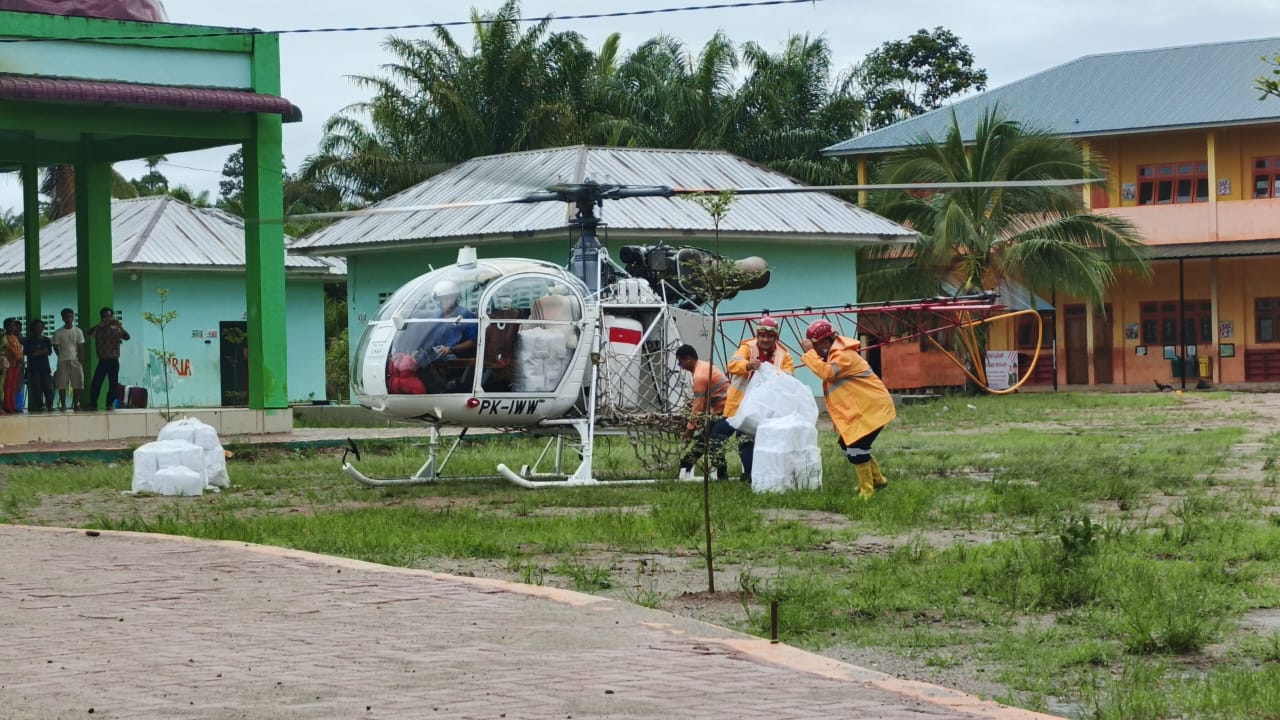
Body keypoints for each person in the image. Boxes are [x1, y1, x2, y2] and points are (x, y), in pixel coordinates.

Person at [800, 319, 896, 499]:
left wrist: (810, 355)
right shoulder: (836, 353)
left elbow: (827, 373)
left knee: (857, 447)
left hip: (873, 409)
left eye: (816, 346)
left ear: (826, 343)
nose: (814, 349)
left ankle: (867, 491)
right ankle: (878, 480)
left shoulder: (843, 355)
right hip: (866, 409)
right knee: (847, 444)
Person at [708, 316, 794, 482]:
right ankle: (721, 472)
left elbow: (788, 378)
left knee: (746, 441)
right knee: (717, 437)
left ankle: (750, 475)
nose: (765, 339)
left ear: (776, 338)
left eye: (769, 336)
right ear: (757, 335)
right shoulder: (747, 347)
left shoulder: (784, 356)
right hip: (737, 406)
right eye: (762, 336)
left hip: (760, 409)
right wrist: (747, 366)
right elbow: (732, 365)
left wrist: (773, 375)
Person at [674, 344, 729, 481]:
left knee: (714, 443)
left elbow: (698, 406)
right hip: (719, 412)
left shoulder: (699, 376)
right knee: (702, 442)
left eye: (680, 363)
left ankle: (722, 478)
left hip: (730, 412)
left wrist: (690, 429)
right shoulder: (704, 366)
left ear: (688, 359)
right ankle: (685, 467)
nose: (682, 367)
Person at [415, 279, 478, 393]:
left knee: (426, 362)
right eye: (444, 298)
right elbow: (428, 335)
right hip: (436, 352)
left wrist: (451, 349)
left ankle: (444, 387)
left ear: (456, 297)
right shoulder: (437, 315)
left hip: (456, 354)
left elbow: (474, 341)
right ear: (438, 300)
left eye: (450, 297)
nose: (447, 300)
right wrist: (417, 349)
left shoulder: (464, 314)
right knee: (417, 359)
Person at [85, 306, 130, 411]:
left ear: (112, 316)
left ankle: (109, 404)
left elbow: (127, 337)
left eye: (109, 316)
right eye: (104, 316)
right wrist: (98, 326)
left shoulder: (116, 329)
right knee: (96, 382)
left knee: (113, 383)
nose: (107, 319)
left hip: (114, 360)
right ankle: (93, 404)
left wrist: (120, 326)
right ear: (101, 317)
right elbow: (87, 333)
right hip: (102, 360)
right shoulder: (98, 329)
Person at [52, 308, 84, 411]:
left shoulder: (78, 331)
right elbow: (55, 346)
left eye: (70, 316)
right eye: (66, 317)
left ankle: (76, 404)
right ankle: (63, 405)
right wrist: (60, 355)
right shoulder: (58, 332)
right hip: (63, 361)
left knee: (77, 383)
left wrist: (80, 359)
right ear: (62, 318)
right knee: (62, 384)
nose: (69, 319)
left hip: (75, 360)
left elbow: (80, 345)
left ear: (73, 317)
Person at [22, 319, 54, 412]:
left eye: (41, 327)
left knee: (48, 387)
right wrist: (42, 351)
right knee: (36, 387)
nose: (39, 329)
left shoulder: (46, 340)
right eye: (37, 327)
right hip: (34, 368)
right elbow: (30, 353)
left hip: (45, 367)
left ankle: (50, 405)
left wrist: (40, 352)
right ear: (33, 328)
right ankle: (40, 405)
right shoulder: (30, 340)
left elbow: (49, 352)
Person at [2, 318, 24, 413]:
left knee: (13, 385)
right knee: (8, 386)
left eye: (14, 326)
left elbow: (19, 350)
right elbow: (10, 350)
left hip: (16, 364)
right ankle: (7, 406)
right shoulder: (4, 338)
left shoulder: (15, 337)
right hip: (9, 364)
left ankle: (12, 405)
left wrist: (20, 359)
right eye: (11, 326)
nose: (13, 328)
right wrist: (18, 357)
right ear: (6, 327)